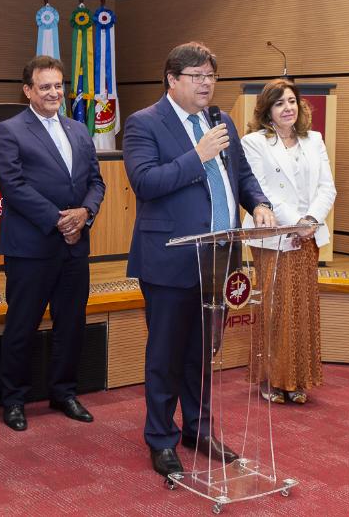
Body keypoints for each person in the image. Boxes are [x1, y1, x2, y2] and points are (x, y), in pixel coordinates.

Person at [122, 41, 275, 478]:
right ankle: (160, 437)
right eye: (197, 76)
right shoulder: (144, 123)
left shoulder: (221, 120)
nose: (206, 84)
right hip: (171, 258)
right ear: (172, 79)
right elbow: (145, 182)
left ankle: (198, 429)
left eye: (211, 76)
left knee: (204, 352)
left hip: (220, 257)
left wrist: (258, 203)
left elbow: (241, 175)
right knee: (166, 353)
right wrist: (198, 155)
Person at [0, 56, 106, 432]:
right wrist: (60, 220)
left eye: (58, 85)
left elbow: (96, 182)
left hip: (74, 246)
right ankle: (13, 399)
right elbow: (13, 186)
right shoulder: (9, 131)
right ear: (28, 90)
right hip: (31, 247)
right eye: (45, 86)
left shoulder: (78, 129)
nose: (54, 92)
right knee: (22, 325)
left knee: (71, 324)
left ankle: (64, 392)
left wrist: (85, 213)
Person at [242, 79, 336, 405]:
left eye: (292, 101)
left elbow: (327, 187)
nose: (288, 108)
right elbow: (260, 189)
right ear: (267, 109)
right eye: (280, 102)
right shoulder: (254, 142)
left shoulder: (314, 140)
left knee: (301, 307)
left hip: (308, 234)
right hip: (272, 236)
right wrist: (296, 223)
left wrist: (310, 220)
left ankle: (296, 379)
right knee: (276, 307)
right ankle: (272, 378)